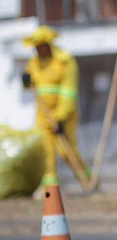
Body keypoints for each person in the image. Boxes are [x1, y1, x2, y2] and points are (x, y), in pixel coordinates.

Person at [22, 26, 86, 188]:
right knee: (47, 155)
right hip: (43, 115)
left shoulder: (65, 62)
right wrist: (26, 82)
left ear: (48, 45)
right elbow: (31, 86)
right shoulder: (33, 63)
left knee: (66, 152)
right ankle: (50, 191)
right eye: (35, 47)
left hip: (65, 115)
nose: (37, 50)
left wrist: (60, 118)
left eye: (40, 46)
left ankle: (88, 181)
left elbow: (68, 94)